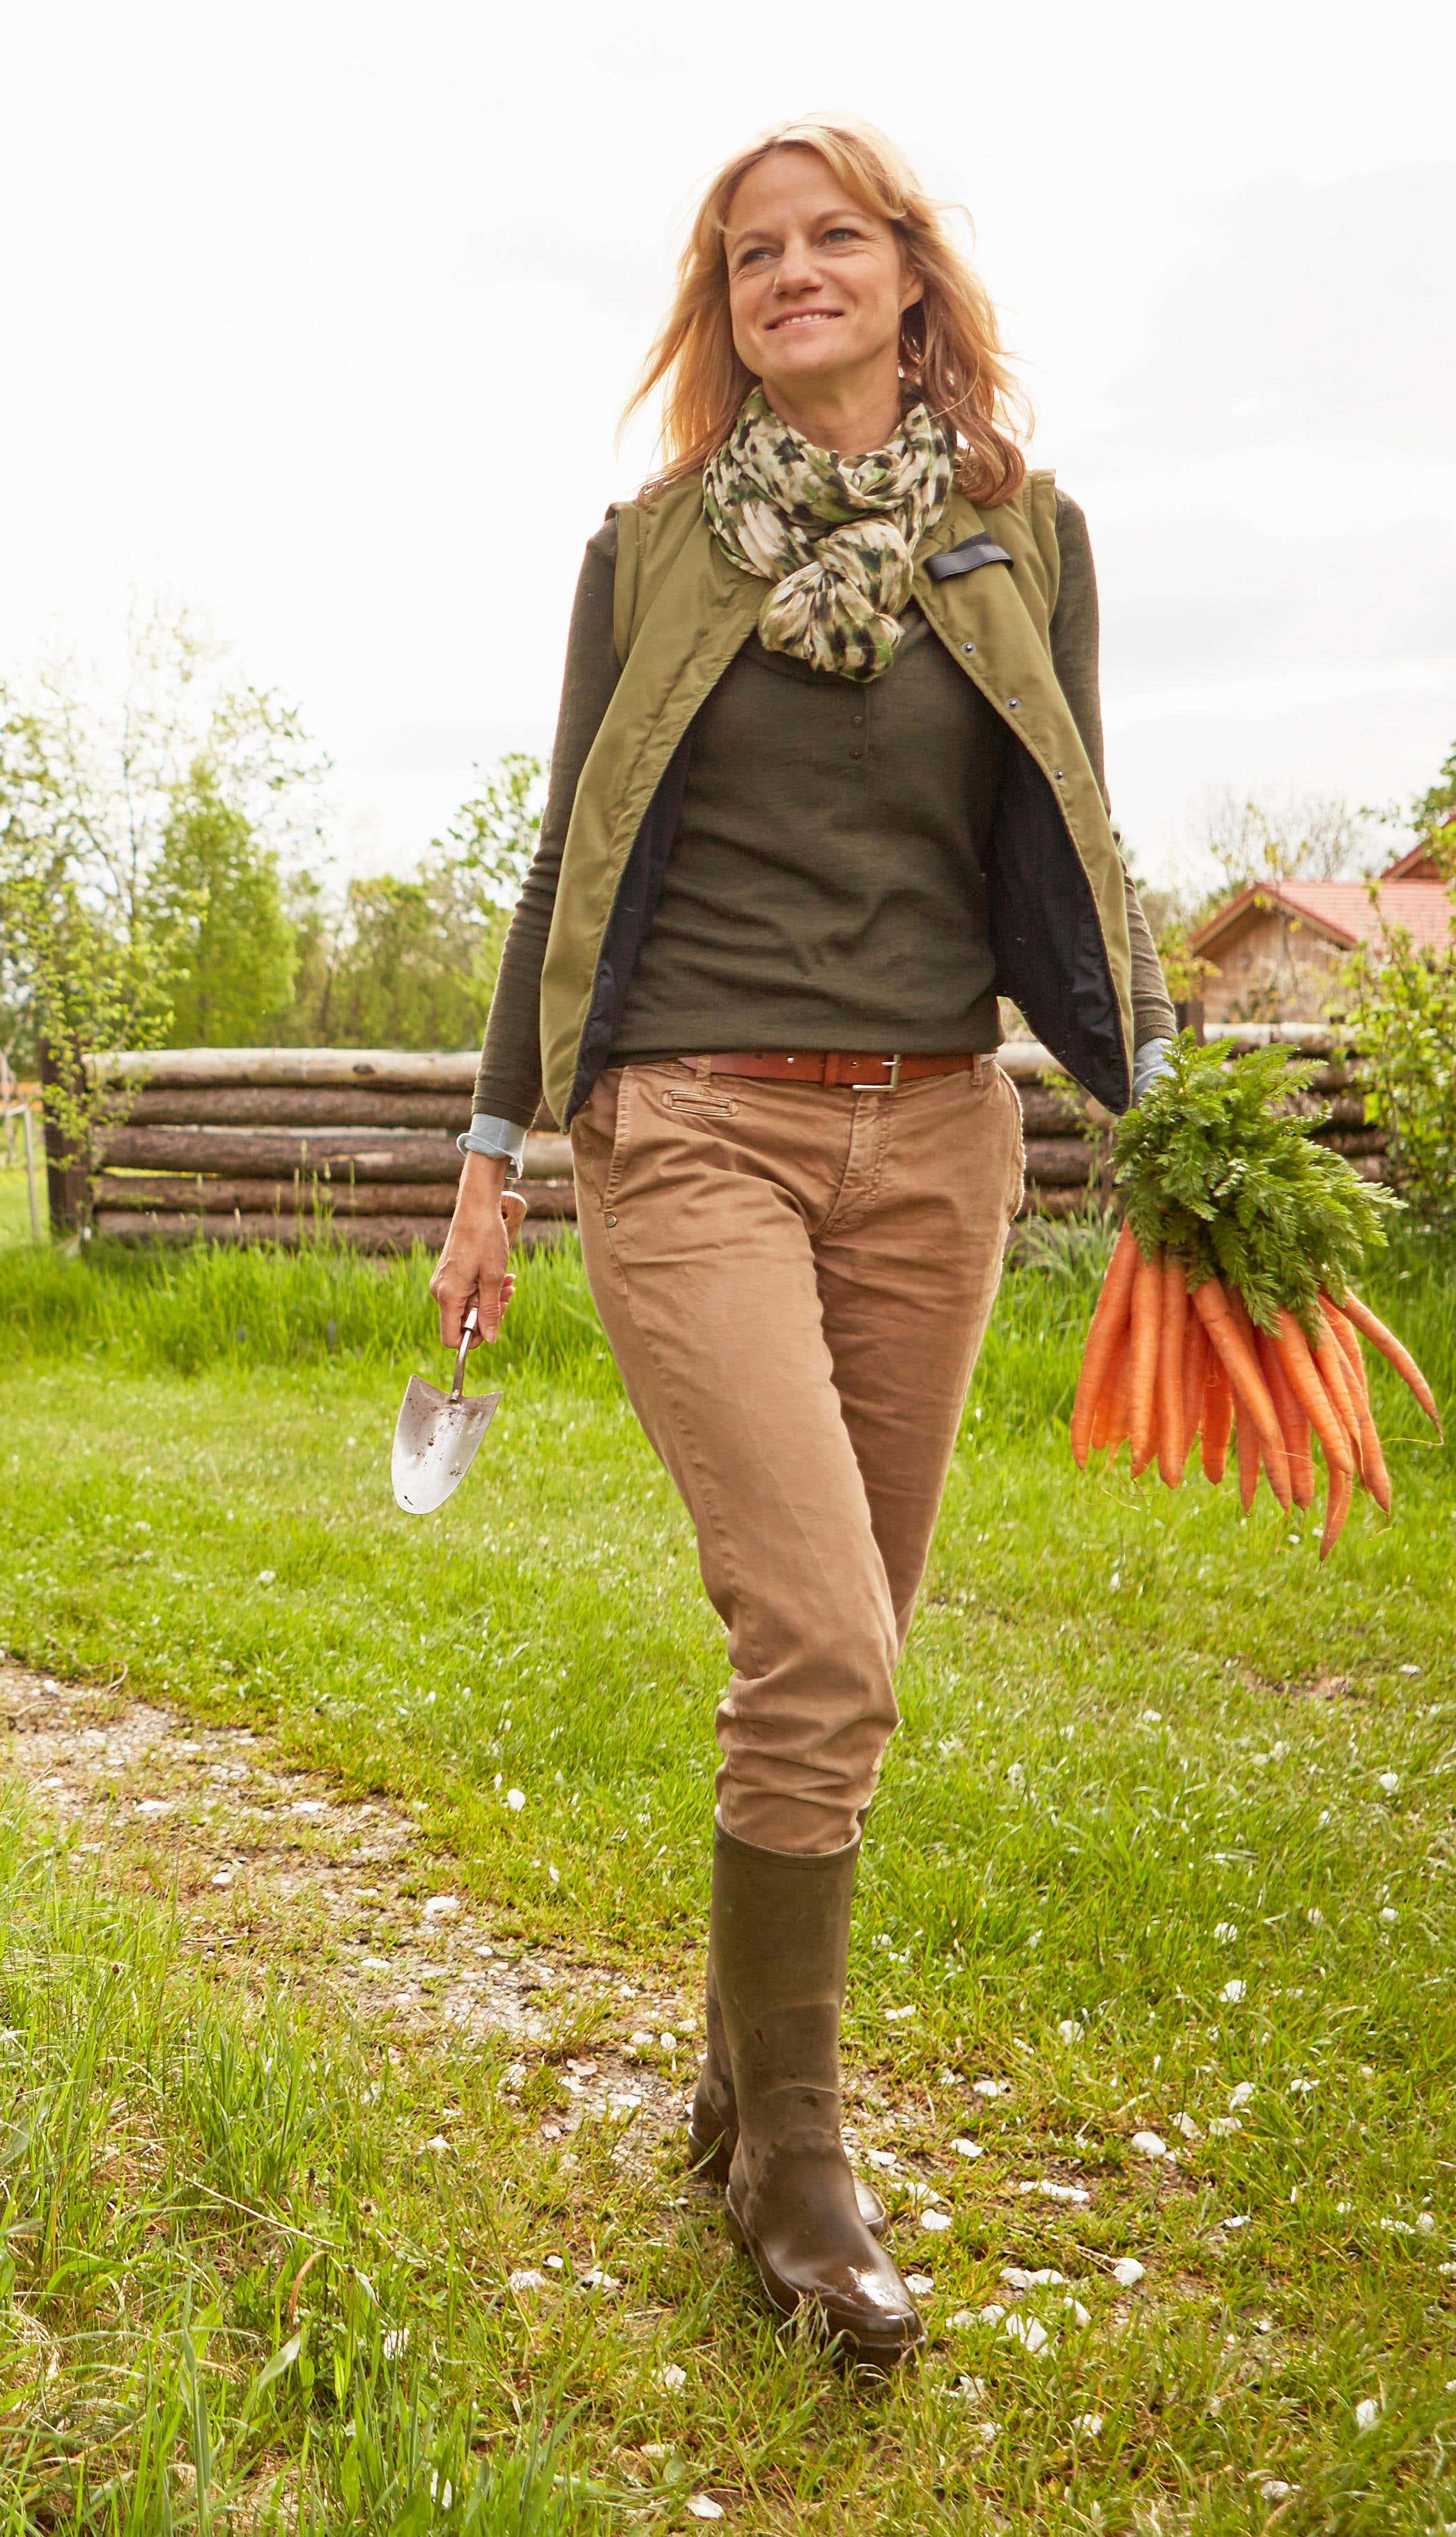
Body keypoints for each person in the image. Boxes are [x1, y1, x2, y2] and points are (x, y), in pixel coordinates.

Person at [430, 116, 1172, 2368]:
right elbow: (567, 846)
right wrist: (490, 1146)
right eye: (749, 254)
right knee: (824, 1639)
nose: (787, 273)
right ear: (722, 306)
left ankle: (734, 2094)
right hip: (693, 1128)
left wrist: (1170, 1108)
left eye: (828, 237)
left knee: (838, 1661)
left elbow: (1076, 828)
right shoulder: (648, 549)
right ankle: (808, 2173)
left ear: (909, 277)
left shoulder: (1018, 539)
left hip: (940, 1140)